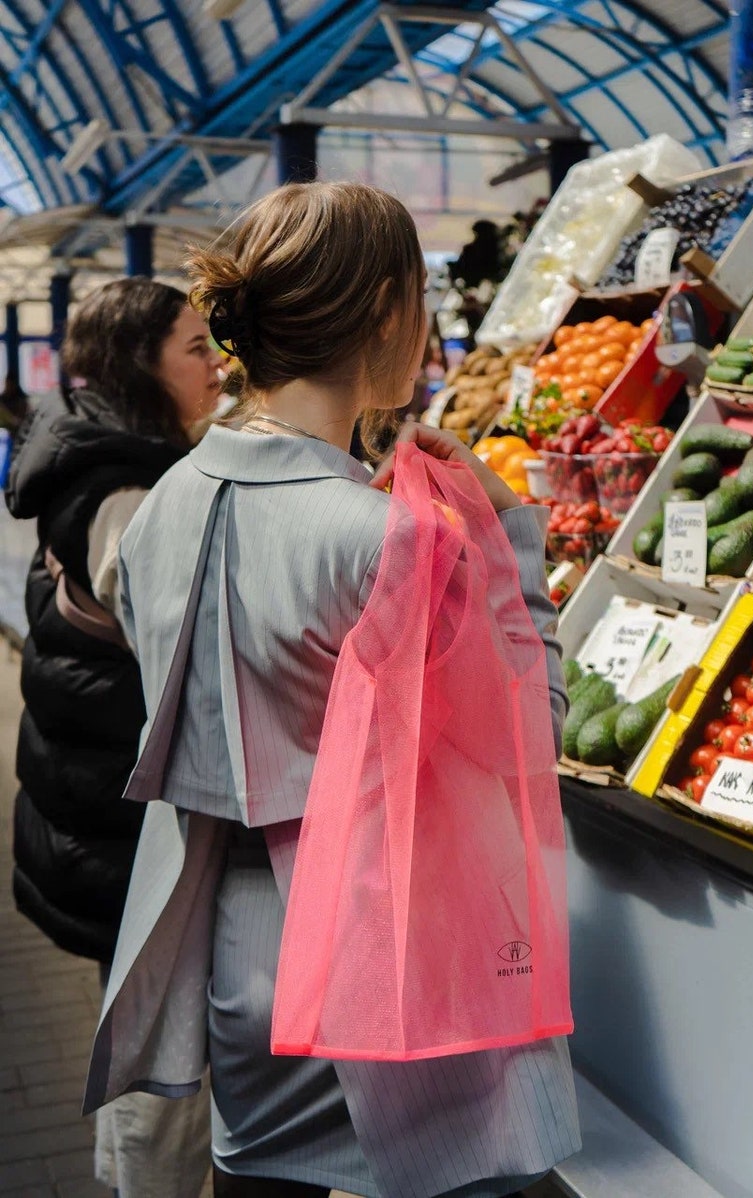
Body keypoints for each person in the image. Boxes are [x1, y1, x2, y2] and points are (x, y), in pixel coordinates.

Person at [84, 183, 580, 1198]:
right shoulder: (392, 538)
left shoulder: (156, 510)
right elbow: (524, 737)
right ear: (390, 311)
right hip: (382, 945)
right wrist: (506, 543)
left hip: (232, 946)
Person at [5, 276, 224, 1198]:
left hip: (96, 817)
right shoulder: (127, 495)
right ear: (143, 365)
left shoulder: (91, 460)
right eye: (198, 349)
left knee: (135, 1040)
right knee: (159, 1063)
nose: (218, 366)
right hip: (123, 837)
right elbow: (187, 660)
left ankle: (125, 1173)